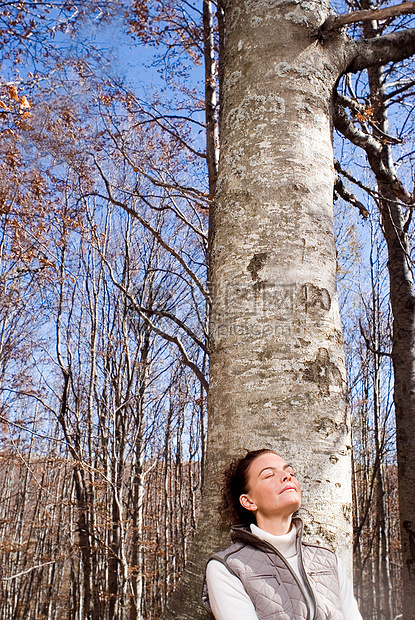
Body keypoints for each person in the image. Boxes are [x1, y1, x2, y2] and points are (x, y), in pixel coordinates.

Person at [202, 449, 363, 620]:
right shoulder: (227, 568)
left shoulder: (328, 560)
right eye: (269, 475)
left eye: (290, 472)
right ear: (248, 501)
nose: (287, 477)